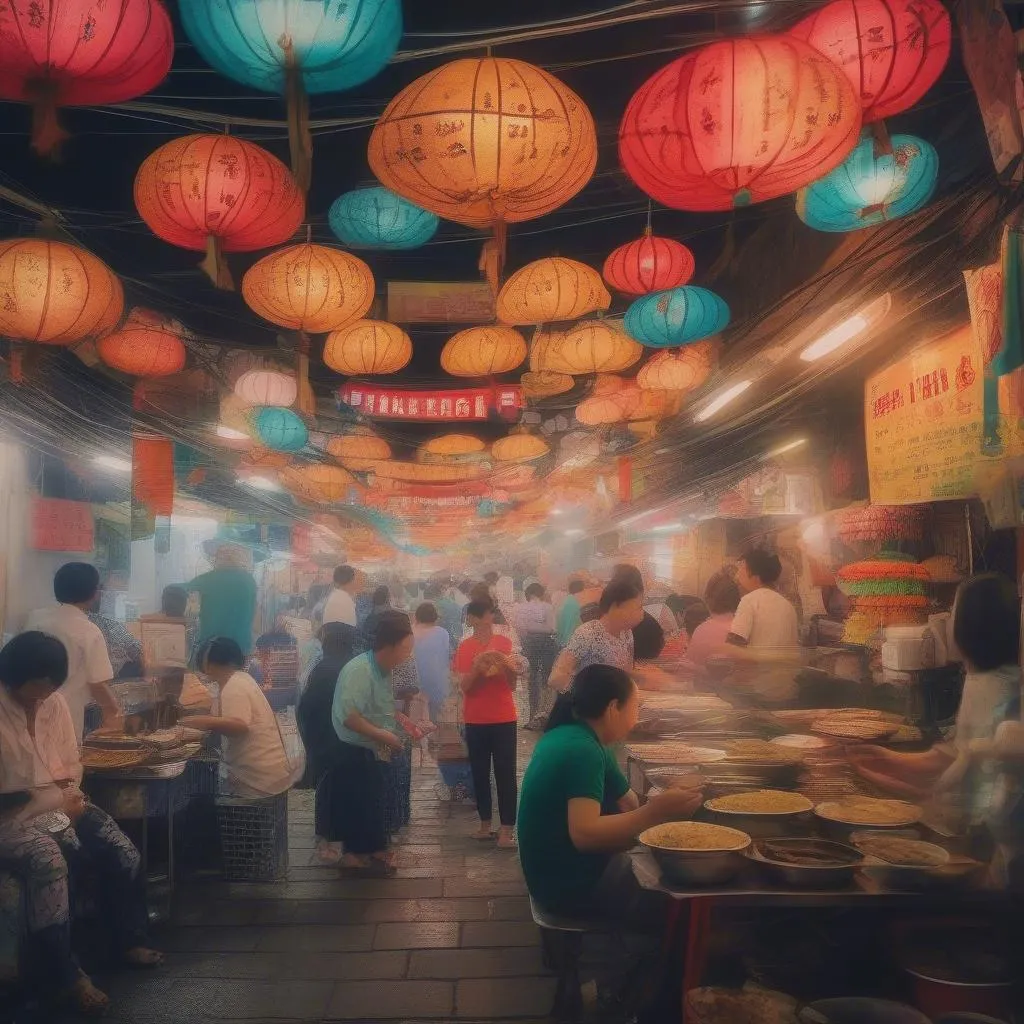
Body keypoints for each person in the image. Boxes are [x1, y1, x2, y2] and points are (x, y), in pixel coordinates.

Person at [0, 631, 161, 1017]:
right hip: (10, 817)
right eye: (36, 685)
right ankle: (65, 975)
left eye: (50, 685)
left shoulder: (53, 702)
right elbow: (10, 790)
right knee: (53, 859)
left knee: (122, 851)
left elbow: (68, 764)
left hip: (58, 802)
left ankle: (129, 938)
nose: (43, 694)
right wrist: (58, 803)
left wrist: (68, 798)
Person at [518, 663, 703, 919]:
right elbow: (585, 835)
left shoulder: (583, 737)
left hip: (558, 871)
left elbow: (629, 803)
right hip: (565, 887)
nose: (637, 717)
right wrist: (658, 811)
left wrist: (666, 797)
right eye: (635, 706)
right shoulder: (582, 750)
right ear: (614, 708)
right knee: (678, 904)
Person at [330, 611, 414, 872]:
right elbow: (350, 718)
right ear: (389, 646)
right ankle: (355, 856)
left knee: (374, 800)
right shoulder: (361, 670)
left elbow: (378, 707)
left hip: (373, 746)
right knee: (360, 802)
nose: (408, 655)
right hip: (353, 748)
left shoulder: (384, 669)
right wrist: (385, 735)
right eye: (405, 648)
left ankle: (376, 850)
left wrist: (400, 723)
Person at [185, 638, 302, 798]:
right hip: (271, 774)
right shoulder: (241, 679)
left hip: (259, 779)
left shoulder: (234, 685)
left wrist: (201, 721)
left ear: (209, 664)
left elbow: (239, 726)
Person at [26, 562, 120, 740]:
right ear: (93, 593)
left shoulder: (35, 618)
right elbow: (98, 684)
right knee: (62, 765)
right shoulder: (89, 631)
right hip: (65, 719)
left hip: (29, 715)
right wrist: (112, 712)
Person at [453, 600, 521, 848]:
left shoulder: (504, 644)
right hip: (475, 718)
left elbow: (513, 683)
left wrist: (506, 666)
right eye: (482, 615)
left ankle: (506, 831)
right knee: (479, 772)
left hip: (504, 717)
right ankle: (484, 825)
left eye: (490, 614)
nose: (487, 620)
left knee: (506, 774)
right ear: (472, 619)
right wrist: (478, 669)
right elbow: (465, 687)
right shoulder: (465, 647)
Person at [296, 622, 361, 866]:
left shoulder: (324, 668)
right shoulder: (346, 667)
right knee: (337, 793)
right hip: (340, 742)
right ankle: (335, 844)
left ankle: (330, 842)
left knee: (328, 792)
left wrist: (310, 741)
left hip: (326, 741)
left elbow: (305, 708)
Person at [548, 580, 644, 693]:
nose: (641, 613)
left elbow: (625, 674)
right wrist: (589, 694)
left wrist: (644, 678)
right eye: (637, 608)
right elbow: (556, 678)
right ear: (616, 608)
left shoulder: (627, 634)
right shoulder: (588, 633)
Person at [187, 544, 258, 656]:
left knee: (211, 671)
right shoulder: (249, 581)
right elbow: (254, 610)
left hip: (211, 645)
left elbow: (185, 590)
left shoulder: (208, 578)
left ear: (217, 558)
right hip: (241, 645)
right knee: (234, 672)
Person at [728, 548, 800, 650]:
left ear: (754, 575)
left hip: (758, 666)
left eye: (742, 567)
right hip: (784, 666)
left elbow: (734, 647)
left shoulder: (749, 601)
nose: (738, 574)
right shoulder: (788, 606)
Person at [515, 583, 558, 723]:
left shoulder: (521, 607)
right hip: (546, 644)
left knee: (531, 678)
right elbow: (552, 628)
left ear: (528, 593)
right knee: (546, 679)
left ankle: (531, 714)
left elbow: (520, 628)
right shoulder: (548, 607)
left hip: (528, 644)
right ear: (541, 593)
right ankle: (544, 712)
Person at [686, 574, 741, 677]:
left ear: (708, 599)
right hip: (737, 689)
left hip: (706, 690)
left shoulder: (702, 631)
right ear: (737, 600)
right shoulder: (742, 629)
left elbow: (691, 665)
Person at [412, 603, 451, 723]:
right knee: (434, 720)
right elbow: (445, 658)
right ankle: (433, 737)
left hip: (415, 685)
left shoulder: (411, 632)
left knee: (417, 721)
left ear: (417, 616)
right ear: (434, 617)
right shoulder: (443, 633)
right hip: (438, 684)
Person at [426, 583, 462, 656]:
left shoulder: (439, 604)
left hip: (447, 625)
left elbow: (439, 617)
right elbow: (458, 611)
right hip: (456, 625)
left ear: (433, 595)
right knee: (454, 643)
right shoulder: (448, 600)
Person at [556, 579, 586, 647]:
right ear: (582, 589)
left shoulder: (565, 601)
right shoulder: (579, 602)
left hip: (562, 641)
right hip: (574, 642)